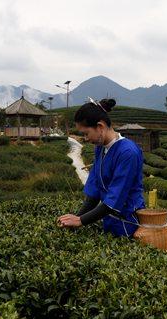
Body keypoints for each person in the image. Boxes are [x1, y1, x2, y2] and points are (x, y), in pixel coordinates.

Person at [57, 98, 145, 237]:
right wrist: (75, 218)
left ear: (100, 126)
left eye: (86, 133)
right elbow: (94, 191)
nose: (85, 138)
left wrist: (80, 220)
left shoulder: (128, 153)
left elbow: (114, 201)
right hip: (108, 219)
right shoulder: (100, 148)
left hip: (128, 223)